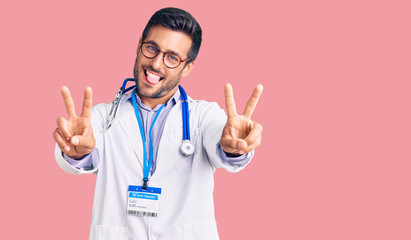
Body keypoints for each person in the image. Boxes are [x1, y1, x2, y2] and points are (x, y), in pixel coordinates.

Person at [53, 7, 263, 240]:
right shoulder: (103, 117)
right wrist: (76, 153)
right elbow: (84, 152)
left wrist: (233, 148)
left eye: (172, 57)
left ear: (188, 66)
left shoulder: (203, 116)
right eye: (151, 48)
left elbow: (221, 140)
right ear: (139, 45)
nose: (156, 63)